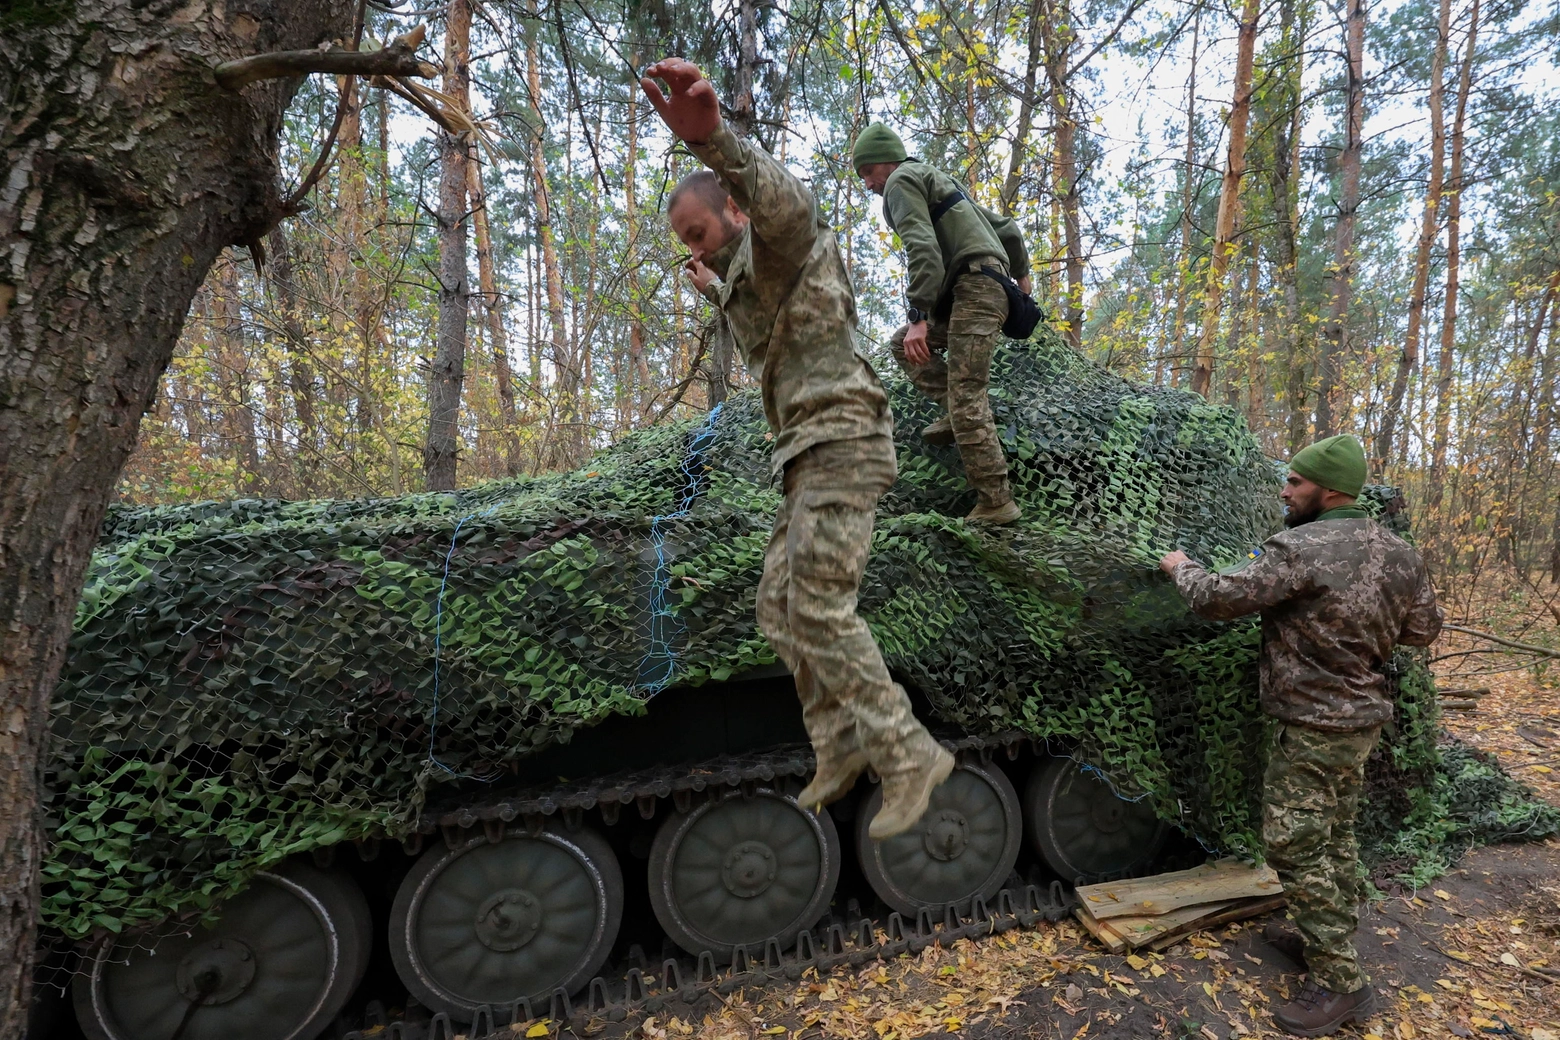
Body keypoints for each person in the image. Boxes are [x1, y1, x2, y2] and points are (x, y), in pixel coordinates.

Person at [639, 59, 953, 840]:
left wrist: (715, 143)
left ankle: (908, 752)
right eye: (685, 242)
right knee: (777, 604)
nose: (695, 247)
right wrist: (711, 284)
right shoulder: (748, 276)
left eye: (701, 232)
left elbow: (792, 209)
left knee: (817, 603)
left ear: (736, 213)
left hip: (843, 436)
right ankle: (838, 739)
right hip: (808, 453)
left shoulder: (777, 237)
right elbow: (764, 323)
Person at [1157, 435, 1442, 1037]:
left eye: (1294, 482)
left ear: (1328, 489)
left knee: (1292, 845)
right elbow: (1422, 631)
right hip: (1361, 722)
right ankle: (1324, 938)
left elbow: (1218, 599)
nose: (1284, 491)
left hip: (1312, 723)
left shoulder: (1299, 546)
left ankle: (1341, 983)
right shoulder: (1401, 552)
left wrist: (1180, 567)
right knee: (1333, 834)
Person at [852, 123, 1033, 525]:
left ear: (884, 159)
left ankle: (996, 499)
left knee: (968, 393)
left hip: (974, 289)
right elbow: (1006, 228)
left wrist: (918, 315)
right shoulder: (938, 179)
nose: (868, 184)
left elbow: (923, 249)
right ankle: (954, 409)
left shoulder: (900, 181)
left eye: (867, 172)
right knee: (903, 345)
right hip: (985, 288)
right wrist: (1021, 277)